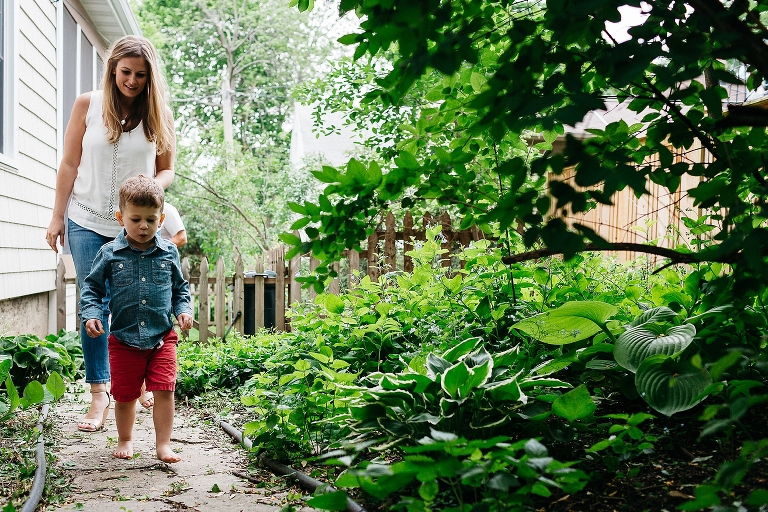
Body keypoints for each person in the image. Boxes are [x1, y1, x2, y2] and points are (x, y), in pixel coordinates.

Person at [45, 35, 176, 432]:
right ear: (112, 69)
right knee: (93, 306)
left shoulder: (159, 115)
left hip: (133, 229)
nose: (132, 81)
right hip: (85, 219)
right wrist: (56, 218)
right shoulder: (87, 105)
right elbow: (69, 164)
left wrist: (151, 186)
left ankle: (132, 384)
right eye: (125, 73)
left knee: (136, 302)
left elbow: (168, 169)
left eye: (140, 74)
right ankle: (100, 393)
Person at [80, 176, 192, 462]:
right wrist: (92, 313)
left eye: (151, 220)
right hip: (124, 339)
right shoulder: (110, 253)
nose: (144, 226)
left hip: (161, 338)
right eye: (136, 219)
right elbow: (92, 287)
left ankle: (163, 444)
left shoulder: (169, 252)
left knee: (165, 390)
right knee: (126, 395)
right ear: (121, 218)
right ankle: (126, 438)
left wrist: (184, 310)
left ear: (161, 218)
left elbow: (180, 288)